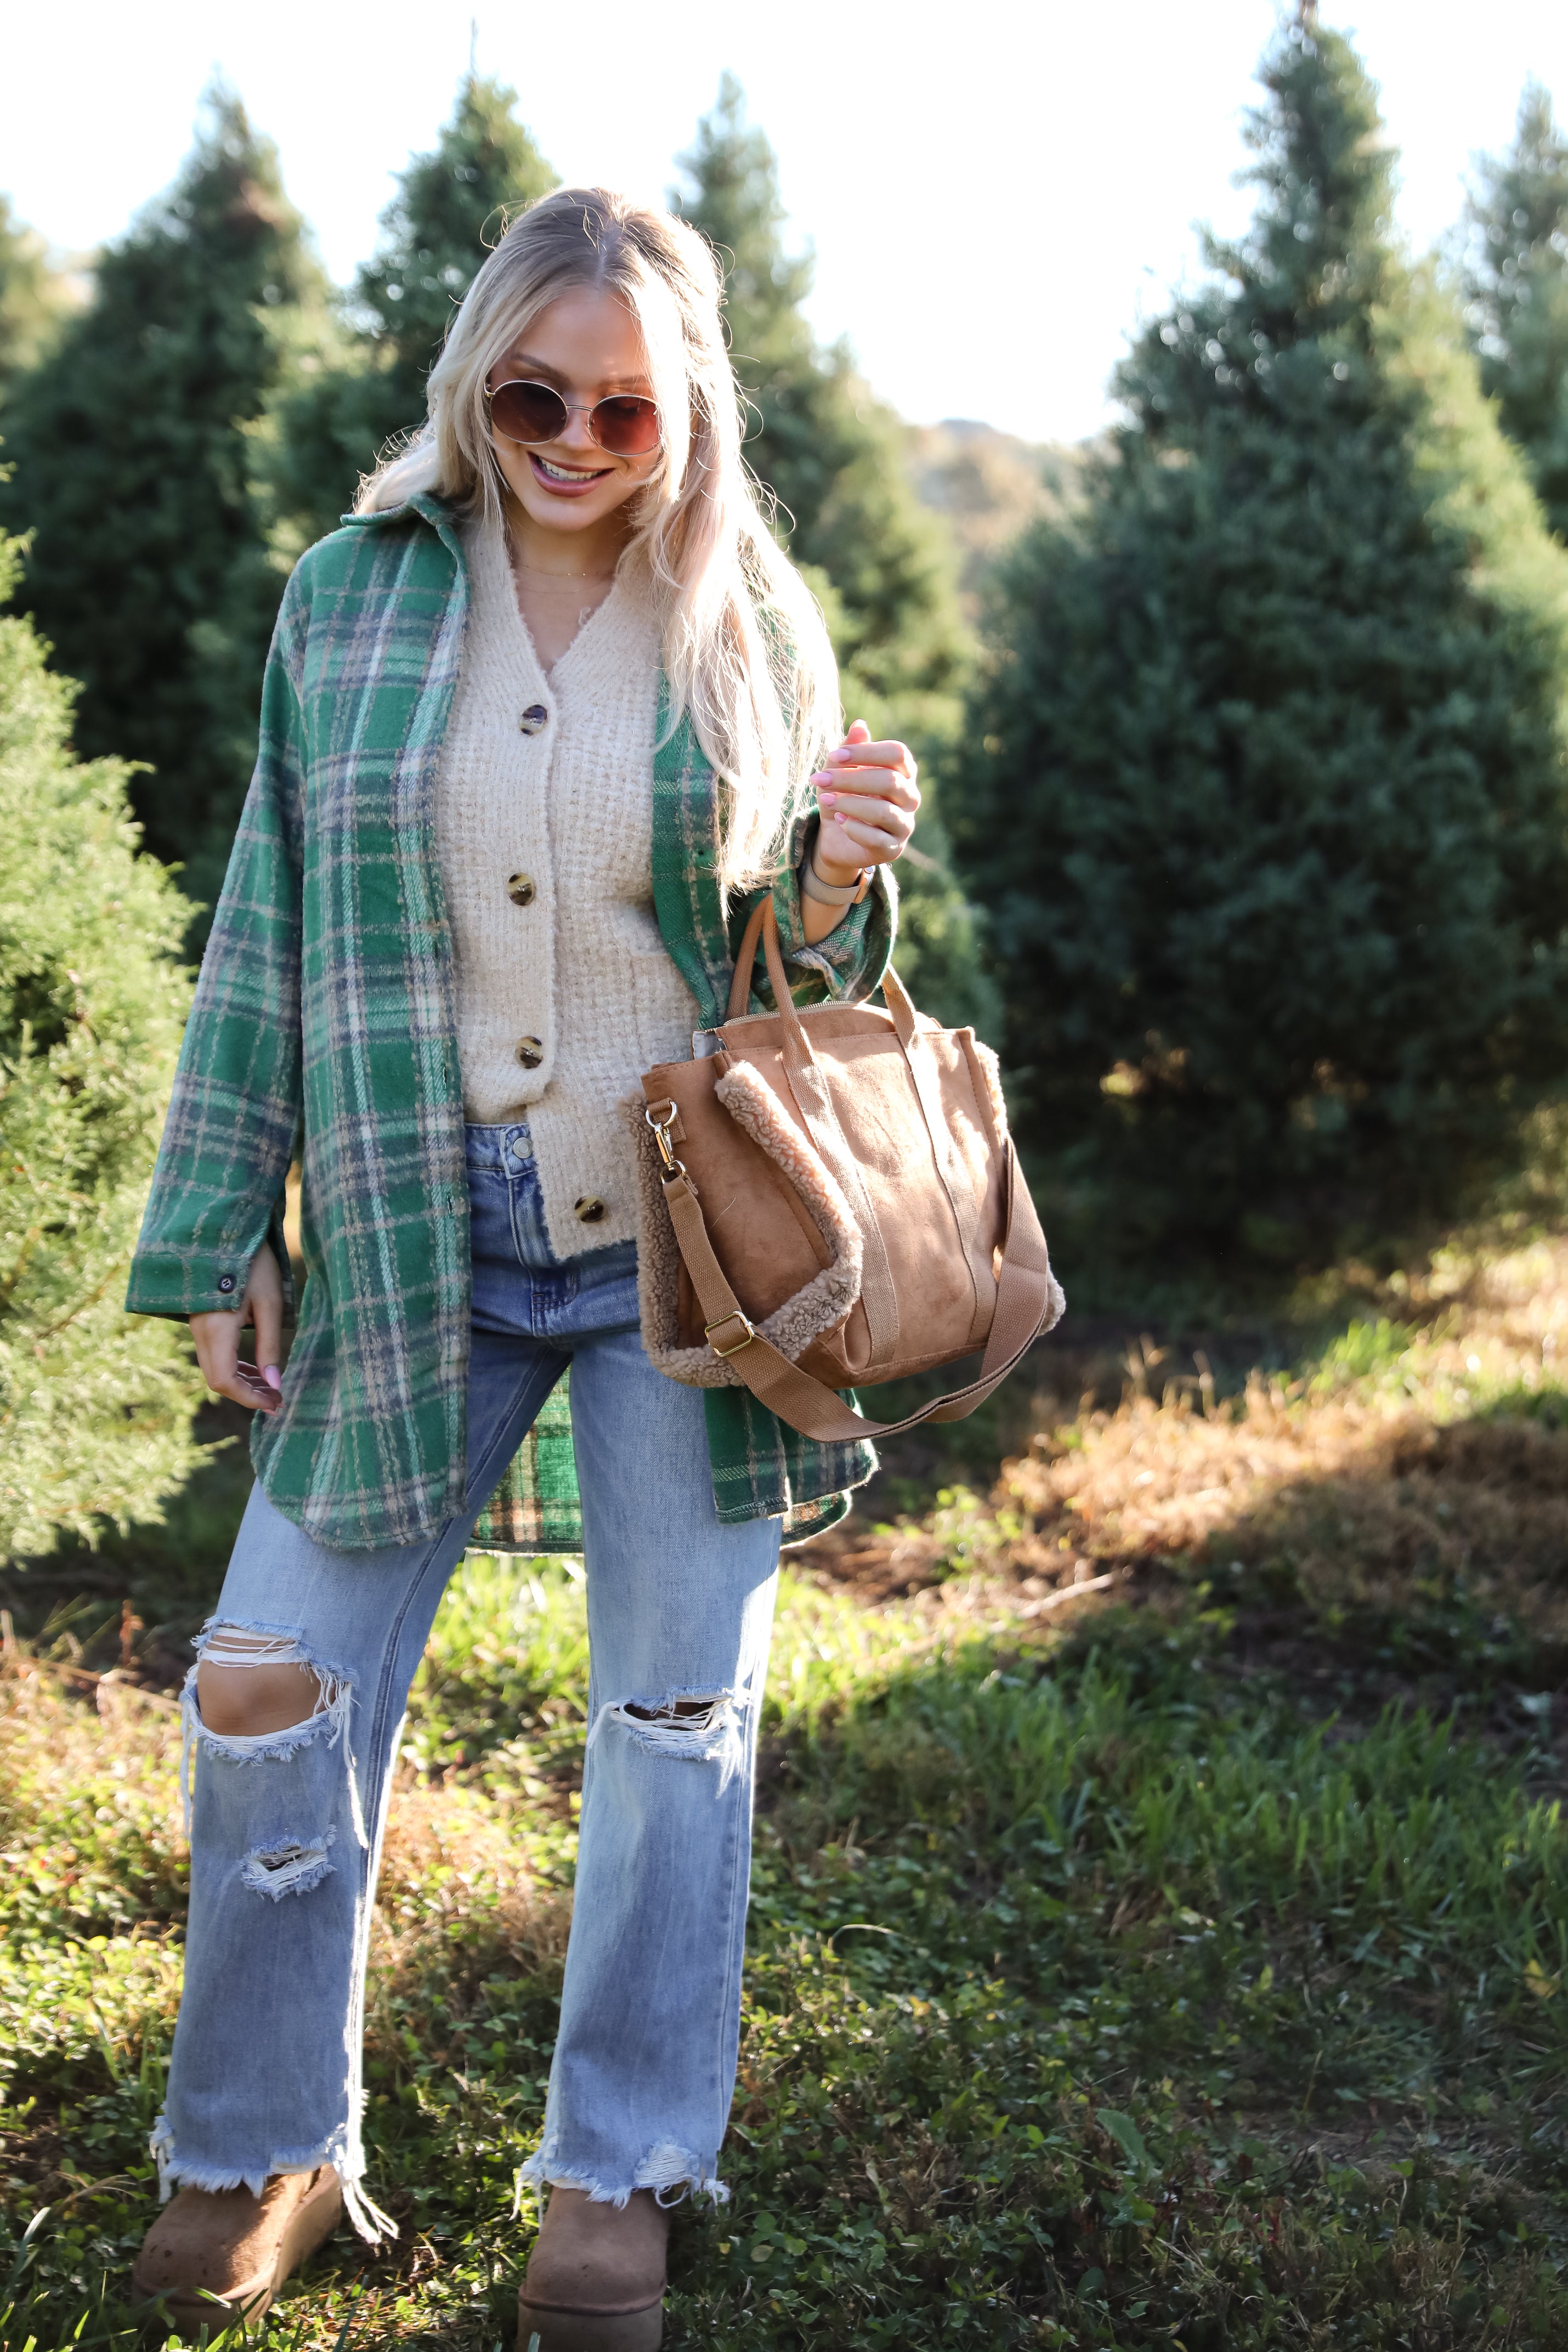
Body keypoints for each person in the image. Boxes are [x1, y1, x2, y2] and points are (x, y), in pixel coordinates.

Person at [123, 185, 918, 2349]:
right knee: (267, 1679)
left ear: (689, 413)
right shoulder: (355, 602)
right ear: (479, 380)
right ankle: (265, 2144)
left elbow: (786, 982)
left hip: (689, 1254)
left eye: (627, 406)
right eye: (536, 392)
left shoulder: (749, 616)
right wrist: (228, 1227)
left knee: (676, 1716)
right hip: (412, 1217)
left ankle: (620, 2169)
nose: (578, 436)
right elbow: (270, 924)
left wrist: (833, 877)